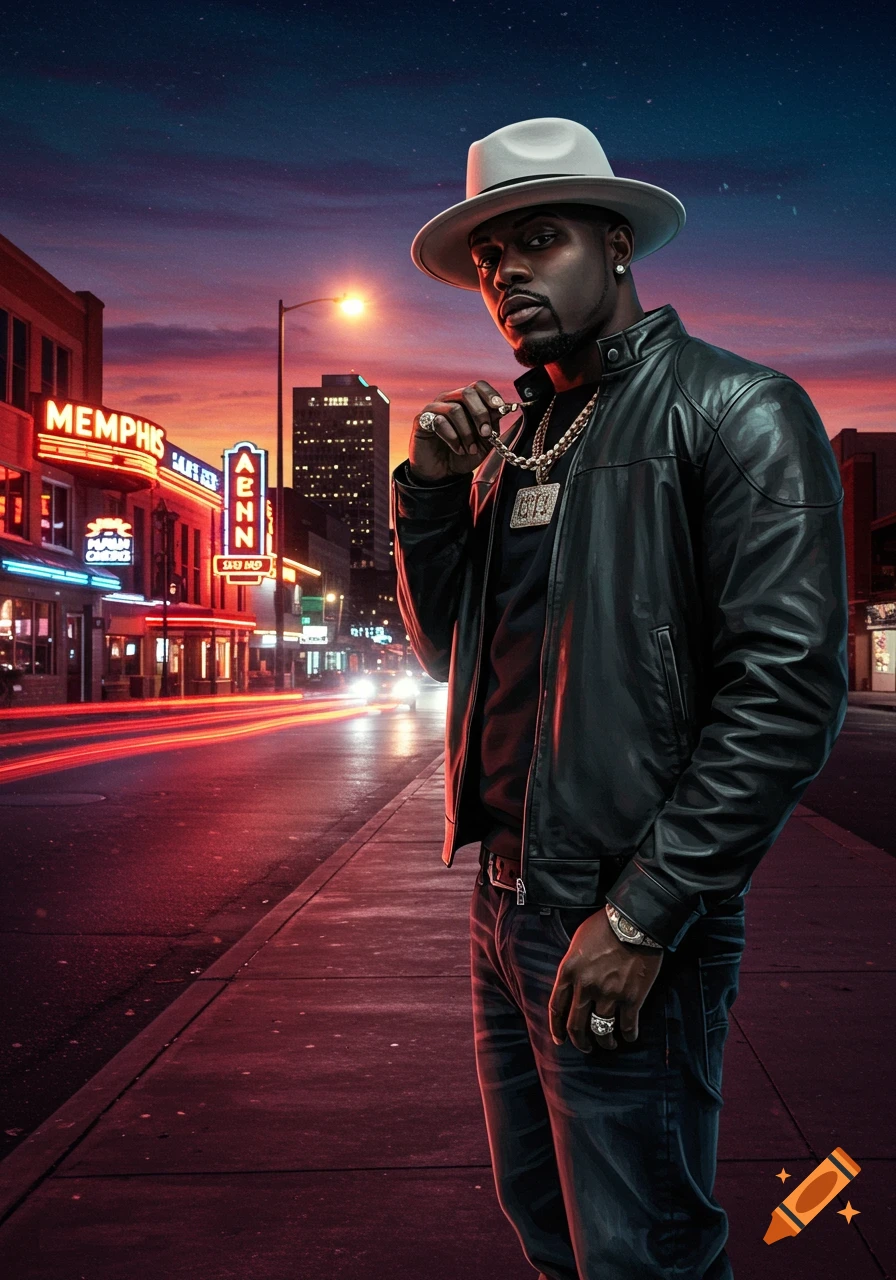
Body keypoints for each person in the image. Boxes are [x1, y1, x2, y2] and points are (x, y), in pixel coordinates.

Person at [391, 117, 847, 1280]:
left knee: (641, 1250)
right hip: (504, 905)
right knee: (549, 1231)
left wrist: (646, 913)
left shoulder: (734, 409)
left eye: (539, 240)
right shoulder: (513, 446)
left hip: (623, 908)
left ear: (615, 245)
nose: (507, 275)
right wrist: (430, 495)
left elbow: (786, 687)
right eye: (489, 257)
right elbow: (447, 651)